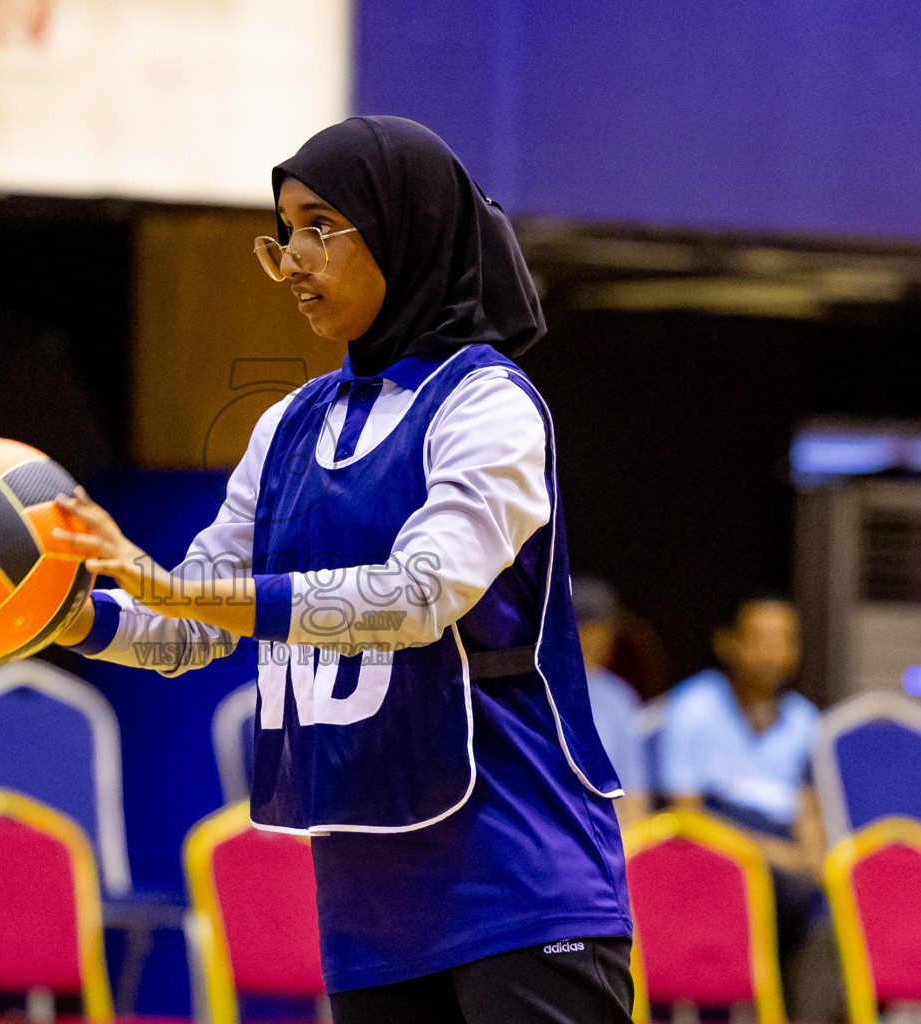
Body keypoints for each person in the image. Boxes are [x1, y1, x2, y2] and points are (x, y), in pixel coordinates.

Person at [51, 116, 633, 1024]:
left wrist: (180, 589)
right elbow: (191, 626)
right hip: (367, 906)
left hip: (521, 882)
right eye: (281, 232)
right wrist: (59, 615)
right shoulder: (284, 425)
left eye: (320, 226)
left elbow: (415, 598)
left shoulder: (488, 404)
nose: (292, 257)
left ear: (405, 230)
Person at [657, 595, 825, 962]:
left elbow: (809, 813)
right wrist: (768, 854)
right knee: (783, 890)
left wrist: (813, 862)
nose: (772, 653)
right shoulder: (693, 706)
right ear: (728, 643)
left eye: (784, 640)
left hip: (786, 851)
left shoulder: (805, 720)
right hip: (717, 846)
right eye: (761, 640)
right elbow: (687, 816)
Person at [573, 578, 648, 828]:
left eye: (603, 632)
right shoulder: (531, 690)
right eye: (583, 631)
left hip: (609, 842)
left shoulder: (619, 697)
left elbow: (634, 798)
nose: (595, 641)